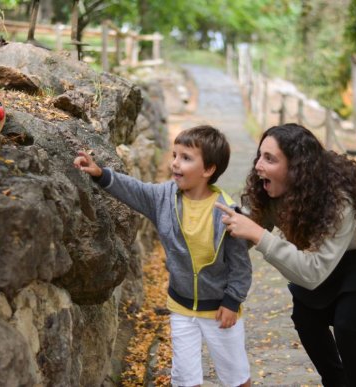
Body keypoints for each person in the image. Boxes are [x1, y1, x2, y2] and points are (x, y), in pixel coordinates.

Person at [215, 123, 356, 387]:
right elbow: (249, 227)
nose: (258, 165)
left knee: (349, 321)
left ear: (296, 169)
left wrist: (260, 237)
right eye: (259, 155)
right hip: (336, 243)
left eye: (270, 158)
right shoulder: (271, 189)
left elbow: (311, 273)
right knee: (306, 315)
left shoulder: (340, 200)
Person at [74, 125, 252, 387]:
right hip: (181, 307)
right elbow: (134, 190)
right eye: (175, 155)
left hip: (220, 310)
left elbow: (241, 267)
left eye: (186, 158)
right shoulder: (164, 198)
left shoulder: (226, 213)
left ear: (208, 170)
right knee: (184, 378)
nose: (175, 164)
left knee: (235, 376)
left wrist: (232, 301)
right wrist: (101, 174)